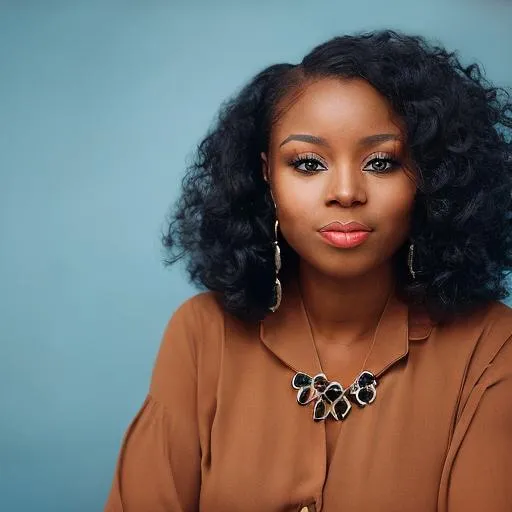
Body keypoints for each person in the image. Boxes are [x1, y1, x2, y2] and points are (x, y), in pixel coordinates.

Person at [104, 30, 512, 511]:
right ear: (265, 176)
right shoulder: (202, 333)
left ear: (431, 177)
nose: (345, 191)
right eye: (308, 163)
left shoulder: (490, 347)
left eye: (381, 162)